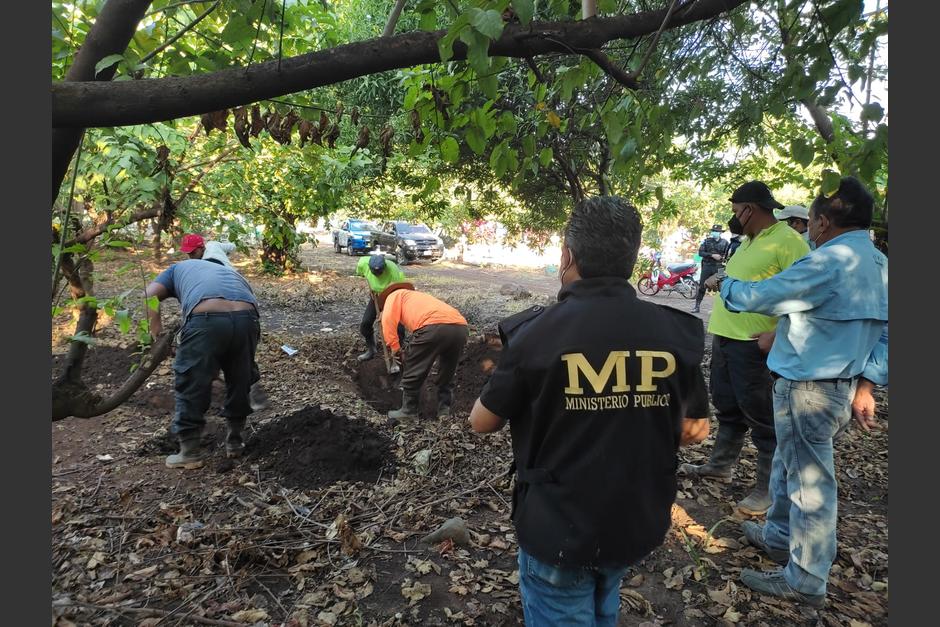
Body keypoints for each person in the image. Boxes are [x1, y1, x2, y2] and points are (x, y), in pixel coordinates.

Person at [469, 196, 711, 626]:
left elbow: (481, 422)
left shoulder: (535, 334)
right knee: (605, 599)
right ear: (633, 258)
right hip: (635, 517)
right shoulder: (676, 332)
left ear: (567, 255)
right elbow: (696, 431)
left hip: (558, 526)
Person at [709, 176, 888, 607]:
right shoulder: (880, 264)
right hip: (839, 387)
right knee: (790, 467)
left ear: (823, 222)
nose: (807, 230)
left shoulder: (829, 260)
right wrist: (867, 384)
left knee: (811, 484)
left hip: (808, 387)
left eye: (809, 222)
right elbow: (884, 333)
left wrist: (726, 284)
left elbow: (765, 296)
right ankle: (778, 536)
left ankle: (805, 579)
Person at [679, 181, 809, 515]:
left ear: (750, 209)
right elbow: (750, 279)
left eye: (736, 211)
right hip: (726, 338)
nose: (734, 217)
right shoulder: (749, 242)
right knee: (728, 408)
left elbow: (806, 293)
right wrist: (720, 276)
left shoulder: (788, 241)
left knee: (762, 416)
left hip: (755, 346)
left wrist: (778, 334)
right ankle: (721, 465)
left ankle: (767, 489)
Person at [145, 257, 261, 469]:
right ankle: (235, 442)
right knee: (240, 377)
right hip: (247, 318)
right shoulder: (230, 273)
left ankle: (189, 452)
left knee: (191, 380)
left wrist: (156, 334)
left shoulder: (175, 269)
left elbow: (150, 294)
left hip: (206, 317)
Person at [179, 233, 269, 411]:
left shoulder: (200, 269)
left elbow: (192, 302)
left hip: (230, 298)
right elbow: (231, 246)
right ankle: (244, 390)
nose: (190, 256)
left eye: (193, 252)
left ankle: (248, 391)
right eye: (187, 253)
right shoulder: (212, 247)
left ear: (202, 248)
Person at [379, 285, 468, 422]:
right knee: (448, 371)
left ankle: (408, 411)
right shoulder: (418, 297)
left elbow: (388, 320)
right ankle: (444, 411)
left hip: (433, 327)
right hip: (460, 327)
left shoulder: (393, 296)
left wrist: (395, 348)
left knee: (413, 367)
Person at [356, 253, 406, 362]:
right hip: (376, 296)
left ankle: (397, 354)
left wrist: (385, 313)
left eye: (380, 273)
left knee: (398, 326)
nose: (378, 275)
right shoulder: (363, 263)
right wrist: (372, 290)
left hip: (393, 296)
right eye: (375, 273)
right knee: (365, 324)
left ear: (384, 268)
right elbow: (361, 274)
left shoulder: (393, 270)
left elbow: (396, 292)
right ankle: (371, 349)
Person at [692, 224, 730, 313]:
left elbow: (728, 255)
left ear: (720, 233)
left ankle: (720, 309)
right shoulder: (706, 241)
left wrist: (721, 257)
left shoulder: (725, 243)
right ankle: (697, 306)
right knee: (702, 286)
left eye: (717, 231)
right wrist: (712, 255)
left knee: (721, 287)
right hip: (707, 266)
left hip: (720, 267)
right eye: (714, 231)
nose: (715, 233)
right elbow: (700, 253)